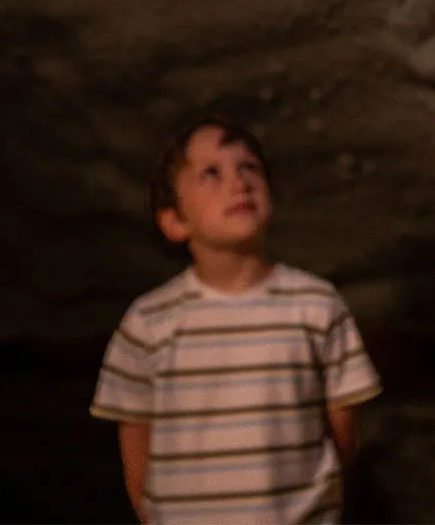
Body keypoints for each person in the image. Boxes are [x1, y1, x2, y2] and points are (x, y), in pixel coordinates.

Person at [91, 114, 382, 524]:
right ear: (175, 220)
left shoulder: (317, 305)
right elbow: (137, 439)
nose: (239, 182)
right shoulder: (148, 321)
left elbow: (343, 433)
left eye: (249, 168)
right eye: (211, 173)